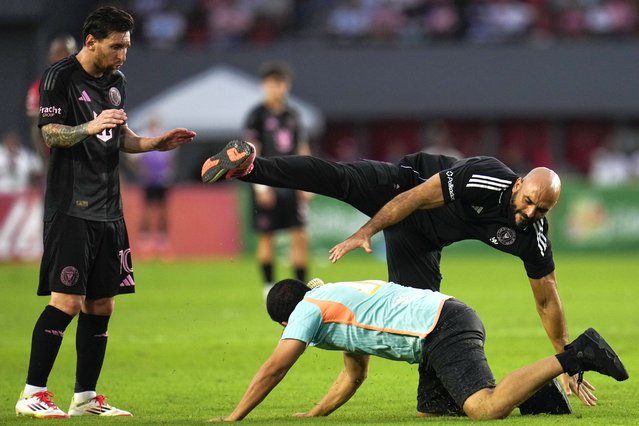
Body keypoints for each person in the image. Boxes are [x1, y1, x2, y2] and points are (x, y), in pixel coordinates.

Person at [201, 140, 593, 413]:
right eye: (527, 202)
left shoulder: (533, 236)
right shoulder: (485, 177)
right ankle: (250, 167)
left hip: (420, 240)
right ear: (520, 183)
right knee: (339, 179)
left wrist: (567, 357)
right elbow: (416, 198)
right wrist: (367, 231)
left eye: (540, 211)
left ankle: (440, 402)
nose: (527, 214)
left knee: (423, 322)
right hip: (404, 187)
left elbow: (546, 298)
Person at [15, 6, 196, 419]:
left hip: (109, 210)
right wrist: (90, 126)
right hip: (71, 208)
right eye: (116, 46)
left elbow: (120, 136)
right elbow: (52, 135)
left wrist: (154, 143)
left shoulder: (116, 82)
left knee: (102, 305)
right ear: (92, 41)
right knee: (67, 300)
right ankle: (33, 392)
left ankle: (86, 397)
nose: (123, 55)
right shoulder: (59, 77)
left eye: (127, 46)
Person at [209, 278, 628, 421]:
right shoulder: (330, 300)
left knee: (483, 409)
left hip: (439, 328)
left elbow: (273, 369)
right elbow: (354, 374)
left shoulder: (305, 310)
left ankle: (576, 354)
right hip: (441, 322)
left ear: (285, 321)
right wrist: (315, 414)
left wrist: (234, 417)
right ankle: (539, 395)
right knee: (433, 411)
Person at [243, 61, 311, 298]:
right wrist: (260, 188)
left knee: (300, 234)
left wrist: (309, 182)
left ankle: (302, 289)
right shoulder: (256, 116)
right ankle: (268, 287)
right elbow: (253, 150)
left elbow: (303, 147)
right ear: (264, 86)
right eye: (273, 84)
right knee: (266, 235)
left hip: (292, 183)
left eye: (282, 84)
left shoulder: (293, 115)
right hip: (268, 181)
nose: (278, 89)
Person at [26, 34, 78, 161]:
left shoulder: (85, 86)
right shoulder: (39, 87)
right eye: (60, 52)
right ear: (51, 57)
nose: (65, 56)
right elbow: (34, 123)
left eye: (69, 52)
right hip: (54, 152)